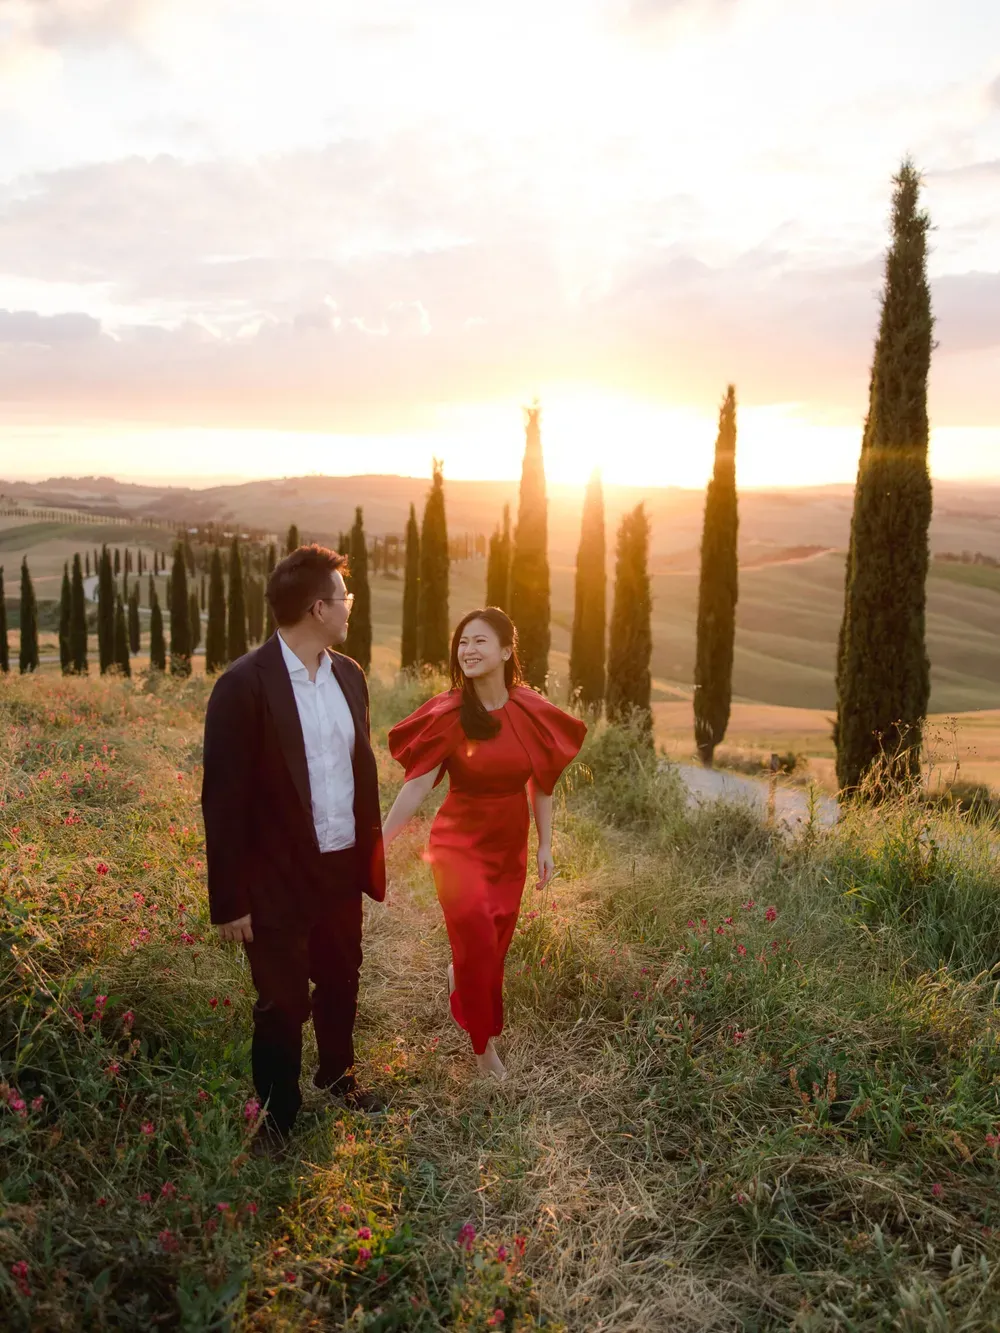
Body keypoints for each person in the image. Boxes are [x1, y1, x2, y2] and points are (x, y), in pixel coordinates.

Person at [201, 544, 386, 1155]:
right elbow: (222, 801)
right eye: (344, 597)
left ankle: (338, 1074)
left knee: (342, 978)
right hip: (275, 877)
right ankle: (278, 1119)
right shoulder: (242, 686)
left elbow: (354, 768)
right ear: (317, 608)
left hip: (339, 863)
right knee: (281, 1004)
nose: (349, 606)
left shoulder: (350, 675)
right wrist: (229, 902)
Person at [382, 607, 586, 1080]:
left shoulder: (529, 709)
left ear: (506, 651)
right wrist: (380, 838)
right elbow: (417, 784)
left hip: (509, 845)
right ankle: (483, 1050)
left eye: (479, 642)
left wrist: (545, 846)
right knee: (475, 937)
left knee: (492, 948)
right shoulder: (452, 711)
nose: (468, 651)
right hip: (458, 846)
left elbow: (542, 784)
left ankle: (465, 983)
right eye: (462, 642)